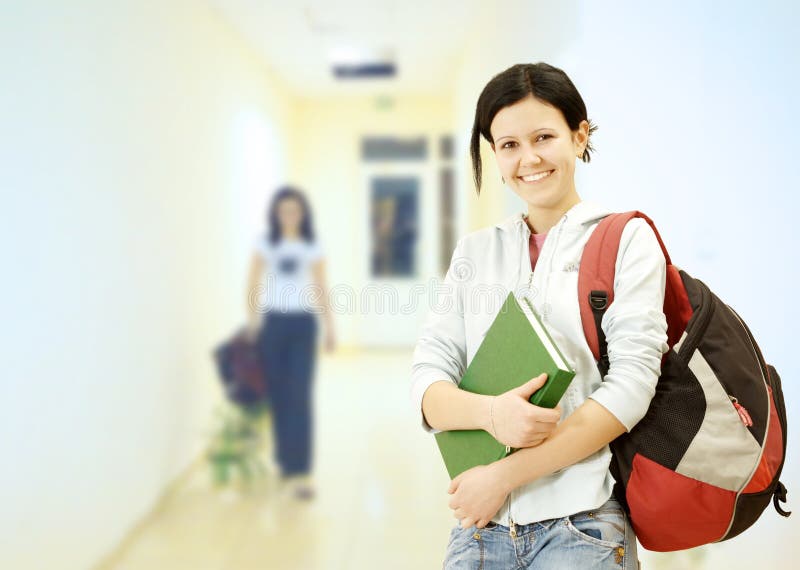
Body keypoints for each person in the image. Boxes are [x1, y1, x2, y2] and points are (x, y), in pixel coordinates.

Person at [411, 63, 668, 569]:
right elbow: (427, 381)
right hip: (480, 525)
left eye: (543, 136)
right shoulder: (475, 251)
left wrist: (503, 477)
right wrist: (491, 415)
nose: (527, 159)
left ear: (579, 136)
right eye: (508, 145)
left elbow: (632, 388)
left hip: (584, 523)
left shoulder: (625, 239)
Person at [246, 185, 335, 500]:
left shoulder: (312, 245)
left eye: (295, 210)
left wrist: (330, 327)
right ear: (275, 213)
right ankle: (284, 463)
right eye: (284, 210)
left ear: (303, 213)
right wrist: (253, 326)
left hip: (302, 325)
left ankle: (301, 472)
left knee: (299, 395)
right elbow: (253, 283)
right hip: (273, 325)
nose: (289, 216)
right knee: (279, 396)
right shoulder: (265, 243)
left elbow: (321, 286)